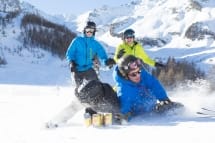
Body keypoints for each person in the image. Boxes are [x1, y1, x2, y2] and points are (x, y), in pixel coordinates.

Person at [113, 55, 183, 122]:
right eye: (133, 74)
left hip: (152, 106)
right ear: (125, 76)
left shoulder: (143, 75)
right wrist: (125, 115)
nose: (138, 75)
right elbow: (125, 107)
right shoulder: (125, 90)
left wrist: (163, 98)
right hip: (139, 111)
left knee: (177, 107)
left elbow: (154, 84)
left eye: (139, 71)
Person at [66, 21, 115, 93]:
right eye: (87, 30)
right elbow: (70, 53)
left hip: (88, 69)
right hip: (77, 69)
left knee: (97, 86)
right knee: (80, 89)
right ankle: (78, 102)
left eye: (91, 31)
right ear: (84, 30)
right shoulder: (77, 41)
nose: (89, 32)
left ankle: (100, 101)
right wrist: (71, 62)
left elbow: (103, 56)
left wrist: (106, 62)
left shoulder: (95, 44)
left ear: (94, 32)